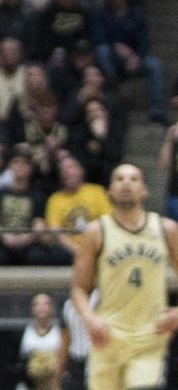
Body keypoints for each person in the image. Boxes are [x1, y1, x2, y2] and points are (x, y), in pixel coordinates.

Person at [71, 163, 178, 390]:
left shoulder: (165, 228)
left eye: (133, 179)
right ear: (110, 190)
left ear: (144, 190)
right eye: (119, 179)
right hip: (108, 338)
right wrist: (90, 319)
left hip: (149, 339)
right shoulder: (96, 231)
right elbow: (79, 288)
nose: (126, 183)